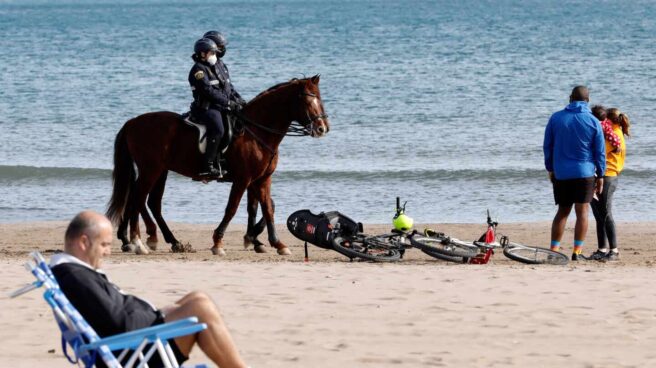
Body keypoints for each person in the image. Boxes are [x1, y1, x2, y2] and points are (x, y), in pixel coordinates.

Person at [50, 211, 248, 368]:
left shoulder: (73, 271)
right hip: (134, 352)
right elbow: (117, 323)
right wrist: (158, 316)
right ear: (84, 242)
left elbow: (112, 315)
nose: (108, 252)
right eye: (104, 245)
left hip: (130, 346)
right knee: (200, 307)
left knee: (197, 297)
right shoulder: (77, 277)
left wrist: (158, 313)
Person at [543, 86, 606, 261]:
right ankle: (576, 252)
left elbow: (547, 146)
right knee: (582, 212)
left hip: (562, 173)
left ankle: (554, 252)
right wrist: (601, 175)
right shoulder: (593, 121)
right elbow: (599, 152)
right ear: (587, 101)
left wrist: (550, 168)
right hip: (584, 172)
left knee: (562, 212)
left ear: (570, 98)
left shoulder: (556, 118)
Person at [189, 37, 242, 178]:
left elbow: (228, 87)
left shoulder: (217, 66)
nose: (214, 55)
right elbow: (208, 91)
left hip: (219, 106)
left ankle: (226, 162)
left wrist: (239, 101)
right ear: (202, 54)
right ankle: (208, 166)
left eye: (214, 52)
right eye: (212, 53)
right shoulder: (198, 70)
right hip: (206, 109)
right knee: (218, 129)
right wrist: (228, 103)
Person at [589, 108, 631, 261]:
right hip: (603, 176)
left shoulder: (613, 136)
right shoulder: (610, 133)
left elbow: (598, 153)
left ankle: (614, 250)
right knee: (599, 216)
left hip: (607, 177)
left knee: (606, 214)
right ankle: (602, 249)